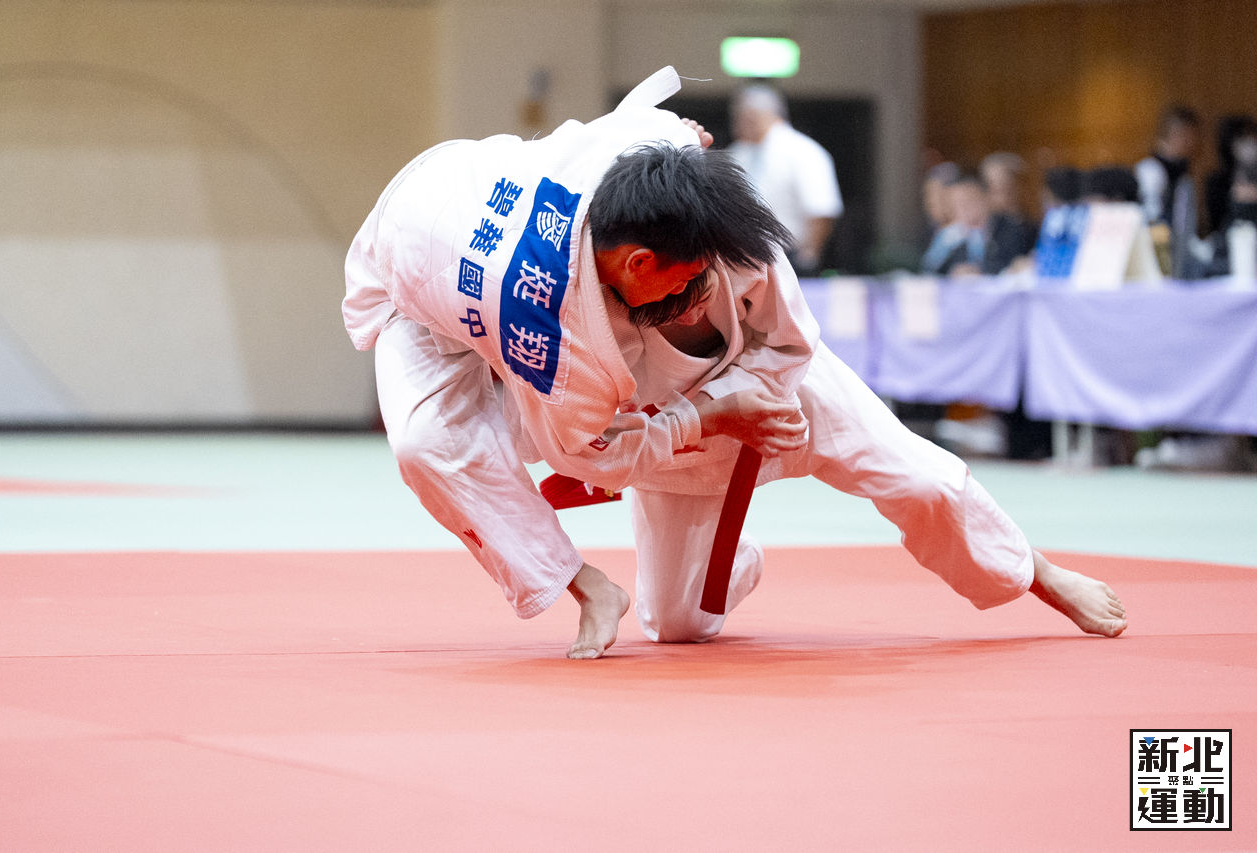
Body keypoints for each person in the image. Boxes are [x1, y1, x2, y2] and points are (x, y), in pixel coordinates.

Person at [343, 67, 1126, 659]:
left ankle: (1035, 571)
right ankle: (632, 575)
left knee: (918, 479)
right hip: (449, 280)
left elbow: (788, 339)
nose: (690, 300)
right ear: (635, 264)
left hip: (773, 385)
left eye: (702, 282)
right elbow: (586, 451)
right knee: (675, 622)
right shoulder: (556, 329)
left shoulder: (725, 237)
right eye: (675, 289)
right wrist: (706, 415)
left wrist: (748, 401)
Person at [727, 83, 843, 276]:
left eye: (743, 117)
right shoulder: (738, 153)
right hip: (743, 258)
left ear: (755, 116)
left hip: (789, 257)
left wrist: (809, 256)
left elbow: (822, 209)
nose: (738, 124)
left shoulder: (803, 151)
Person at [1135, 105, 1202, 278]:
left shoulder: (1184, 176)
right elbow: (1151, 219)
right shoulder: (1149, 171)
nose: (1192, 143)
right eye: (1187, 136)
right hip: (1155, 257)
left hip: (1180, 260)